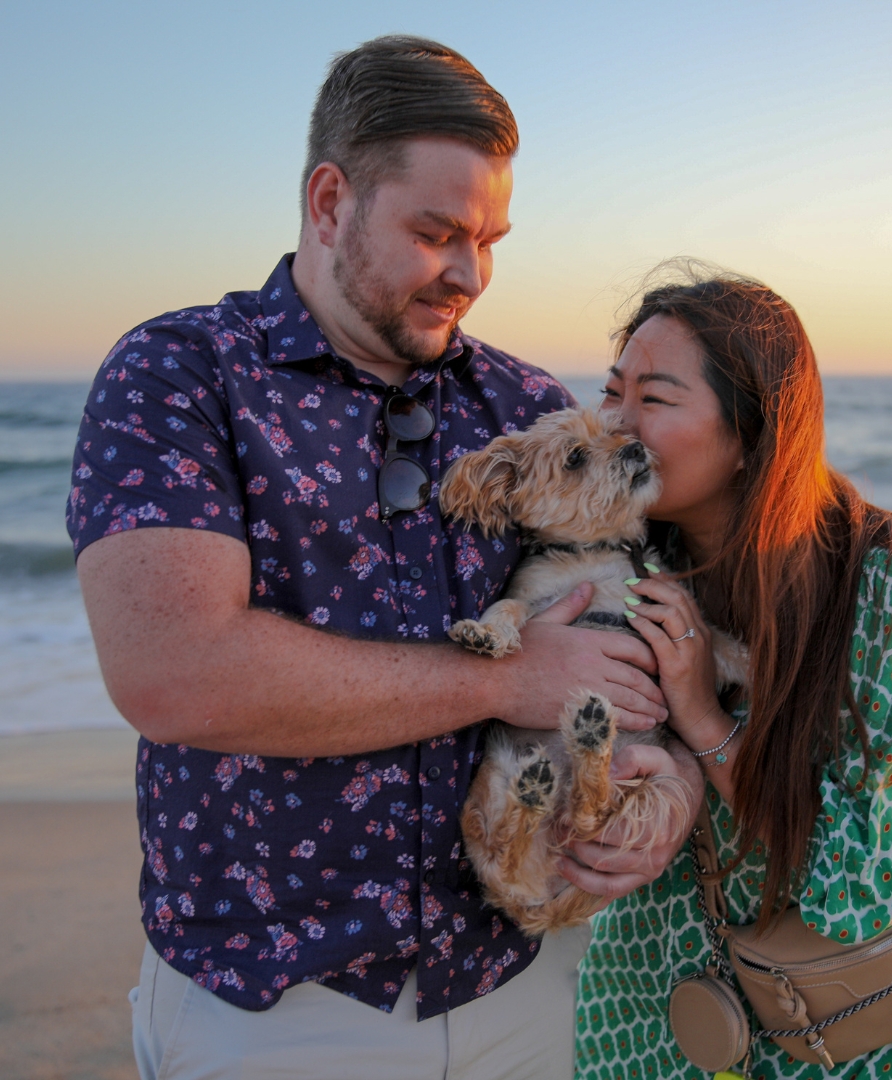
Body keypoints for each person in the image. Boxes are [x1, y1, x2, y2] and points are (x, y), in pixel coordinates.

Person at [68, 37, 700, 1080]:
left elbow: (640, 627)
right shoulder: (180, 374)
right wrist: (511, 678)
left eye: (490, 238)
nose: (470, 272)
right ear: (329, 202)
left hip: (528, 978)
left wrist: (666, 792)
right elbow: (174, 675)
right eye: (436, 231)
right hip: (274, 1005)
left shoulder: (527, 406)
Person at [573, 267, 892, 1080]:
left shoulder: (889, 590)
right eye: (611, 393)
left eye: (654, 400)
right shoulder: (623, 564)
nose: (614, 426)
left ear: (753, 435)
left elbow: (857, 888)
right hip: (639, 1013)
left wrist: (702, 718)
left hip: (823, 1026)